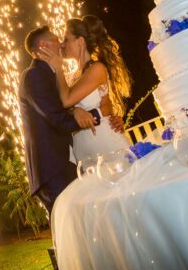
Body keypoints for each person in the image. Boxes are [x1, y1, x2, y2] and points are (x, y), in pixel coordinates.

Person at [19, 25, 122, 216]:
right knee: (71, 223)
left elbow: (64, 105)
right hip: (53, 167)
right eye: (57, 39)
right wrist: (95, 115)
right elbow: (57, 115)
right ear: (43, 45)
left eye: (65, 39)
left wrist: (104, 115)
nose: (61, 43)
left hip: (80, 155)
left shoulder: (57, 75)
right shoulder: (34, 76)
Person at [38, 15, 132, 161]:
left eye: (66, 39)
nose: (62, 45)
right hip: (83, 151)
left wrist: (59, 68)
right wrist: (75, 110)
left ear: (80, 41)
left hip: (105, 145)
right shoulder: (72, 77)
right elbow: (61, 107)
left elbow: (67, 100)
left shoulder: (97, 69)